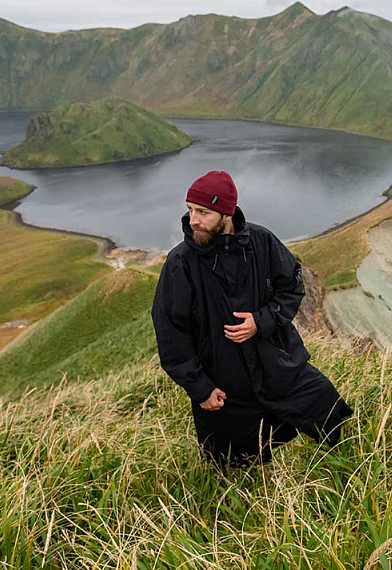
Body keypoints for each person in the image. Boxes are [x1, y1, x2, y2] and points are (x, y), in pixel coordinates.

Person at [151, 170, 354, 469]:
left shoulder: (262, 242)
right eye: (190, 209)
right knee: (232, 465)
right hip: (224, 382)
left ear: (227, 213)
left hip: (277, 365)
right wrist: (200, 387)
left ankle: (347, 473)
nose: (192, 220)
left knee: (331, 414)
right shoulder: (180, 262)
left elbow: (291, 288)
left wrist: (261, 321)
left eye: (203, 212)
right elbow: (170, 330)